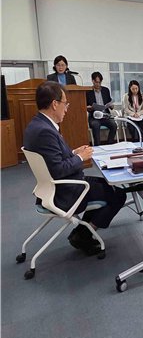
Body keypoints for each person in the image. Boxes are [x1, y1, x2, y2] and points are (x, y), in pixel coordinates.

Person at [23, 82, 126, 255]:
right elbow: (58, 170)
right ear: (54, 104)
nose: (66, 109)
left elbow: (52, 159)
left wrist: (73, 152)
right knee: (118, 194)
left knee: (108, 184)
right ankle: (83, 235)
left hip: (56, 186)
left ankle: (82, 232)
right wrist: (80, 157)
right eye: (65, 104)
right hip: (66, 190)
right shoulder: (45, 131)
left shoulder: (36, 125)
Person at [86, 72, 117, 146]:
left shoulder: (105, 90)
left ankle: (109, 144)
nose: (98, 84)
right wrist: (89, 107)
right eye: (96, 82)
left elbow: (109, 102)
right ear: (93, 81)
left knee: (114, 125)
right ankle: (97, 146)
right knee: (95, 125)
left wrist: (111, 106)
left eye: (99, 82)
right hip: (94, 116)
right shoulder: (88, 92)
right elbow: (85, 105)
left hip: (105, 115)